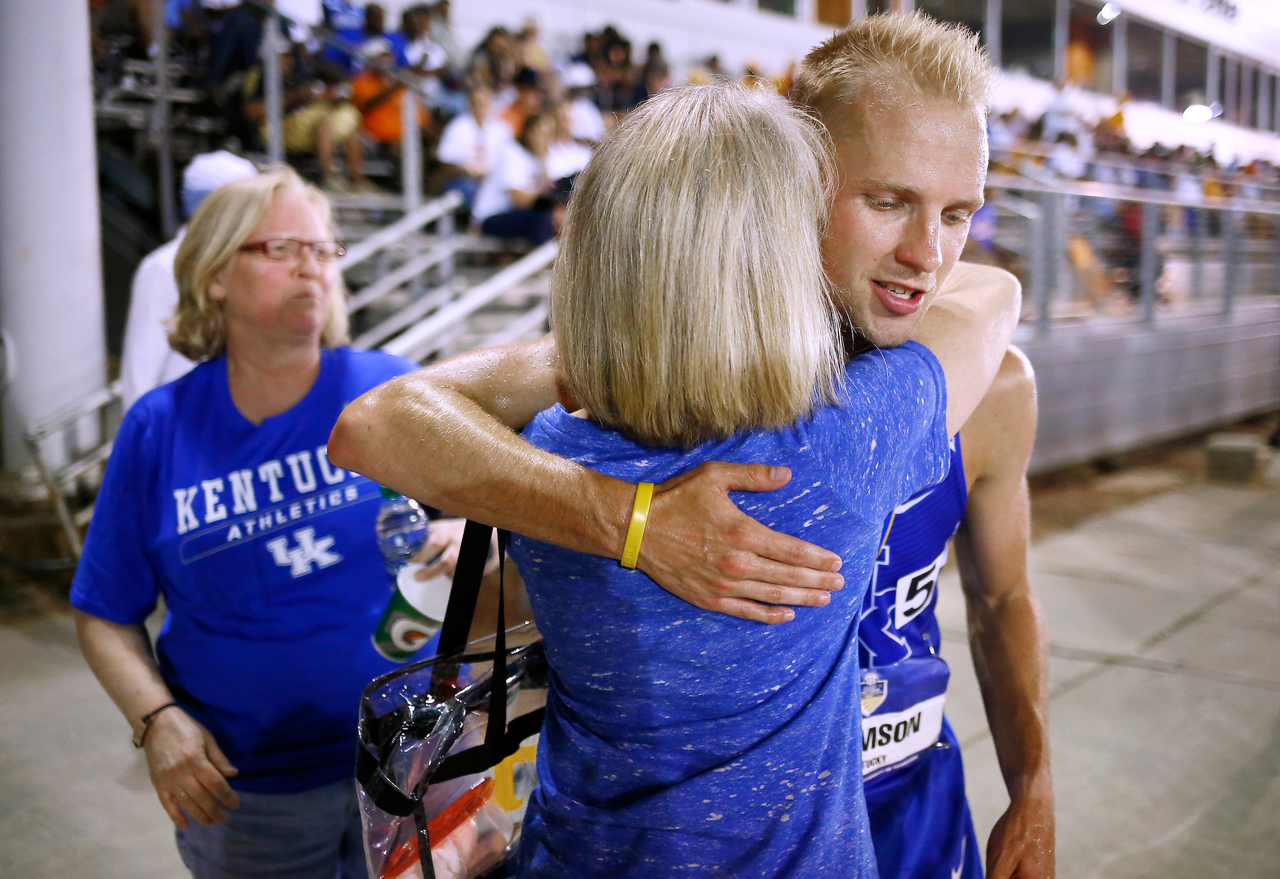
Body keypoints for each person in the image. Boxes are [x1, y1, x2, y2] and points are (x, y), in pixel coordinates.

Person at [330, 12, 1052, 878]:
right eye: (888, 200)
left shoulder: (565, 419)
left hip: (900, 802)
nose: (928, 255)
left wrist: (1034, 783)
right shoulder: (853, 429)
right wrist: (629, 516)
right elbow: (993, 292)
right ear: (791, 188)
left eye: (960, 212)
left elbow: (1003, 596)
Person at [522, 81, 1016, 876]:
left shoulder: (542, 443)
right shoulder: (831, 446)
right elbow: (993, 296)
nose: (929, 245)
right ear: (772, 260)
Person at [72, 167, 422, 879]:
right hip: (248, 791)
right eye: (281, 248)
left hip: (411, 761)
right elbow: (104, 612)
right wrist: (156, 720)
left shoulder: (393, 391)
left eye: (324, 250)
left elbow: (495, 528)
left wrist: (458, 537)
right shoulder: (158, 429)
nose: (310, 267)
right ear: (215, 275)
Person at [120, 150, 258, 410]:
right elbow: (140, 371)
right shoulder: (162, 267)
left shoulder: (248, 259)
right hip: (184, 428)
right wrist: (143, 443)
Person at [471, 113, 560, 246]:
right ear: (529, 131)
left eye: (548, 134)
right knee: (543, 219)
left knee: (558, 216)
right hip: (491, 217)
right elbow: (518, 200)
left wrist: (543, 161)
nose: (543, 138)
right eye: (540, 132)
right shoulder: (512, 153)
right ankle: (544, 264)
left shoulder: (543, 158)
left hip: (517, 216)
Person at [436, 83, 511, 212]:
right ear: (470, 104)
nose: (480, 107)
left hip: (493, 182)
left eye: (484, 102)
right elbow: (445, 161)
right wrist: (466, 171)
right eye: (476, 103)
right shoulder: (457, 127)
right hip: (464, 180)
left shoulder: (501, 129)